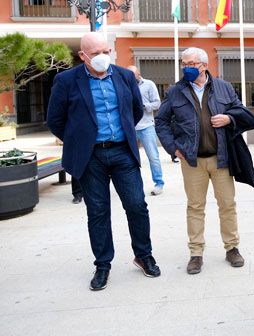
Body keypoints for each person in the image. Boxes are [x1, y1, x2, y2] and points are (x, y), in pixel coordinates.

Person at [46, 32, 161, 291]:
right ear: (83, 56)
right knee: (97, 212)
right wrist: (79, 140)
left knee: (136, 205)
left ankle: (143, 255)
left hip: (122, 152)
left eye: (105, 52)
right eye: (95, 53)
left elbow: (133, 109)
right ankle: (102, 265)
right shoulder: (66, 80)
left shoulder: (124, 76)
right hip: (90, 156)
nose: (102, 57)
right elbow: (55, 119)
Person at [155, 47, 254, 274]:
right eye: (184, 64)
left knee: (227, 205)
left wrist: (229, 118)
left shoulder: (224, 87)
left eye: (191, 64)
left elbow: (243, 113)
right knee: (195, 207)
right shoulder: (175, 91)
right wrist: (173, 149)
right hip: (192, 161)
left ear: (204, 64)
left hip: (221, 158)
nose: (187, 68)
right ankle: (196, 253)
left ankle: (232, 248)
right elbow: (161, 122)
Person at [127, 65, 164, 196]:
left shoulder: (149, 84)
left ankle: (159, 183)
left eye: (134, 76)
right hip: (130, 128)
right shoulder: (124, 85)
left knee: (153, 157)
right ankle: (133, 186)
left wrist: (143, 106)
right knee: (129, 159)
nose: (131, 78)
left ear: (138, 74)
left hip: (146, 126)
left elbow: (157, 103)